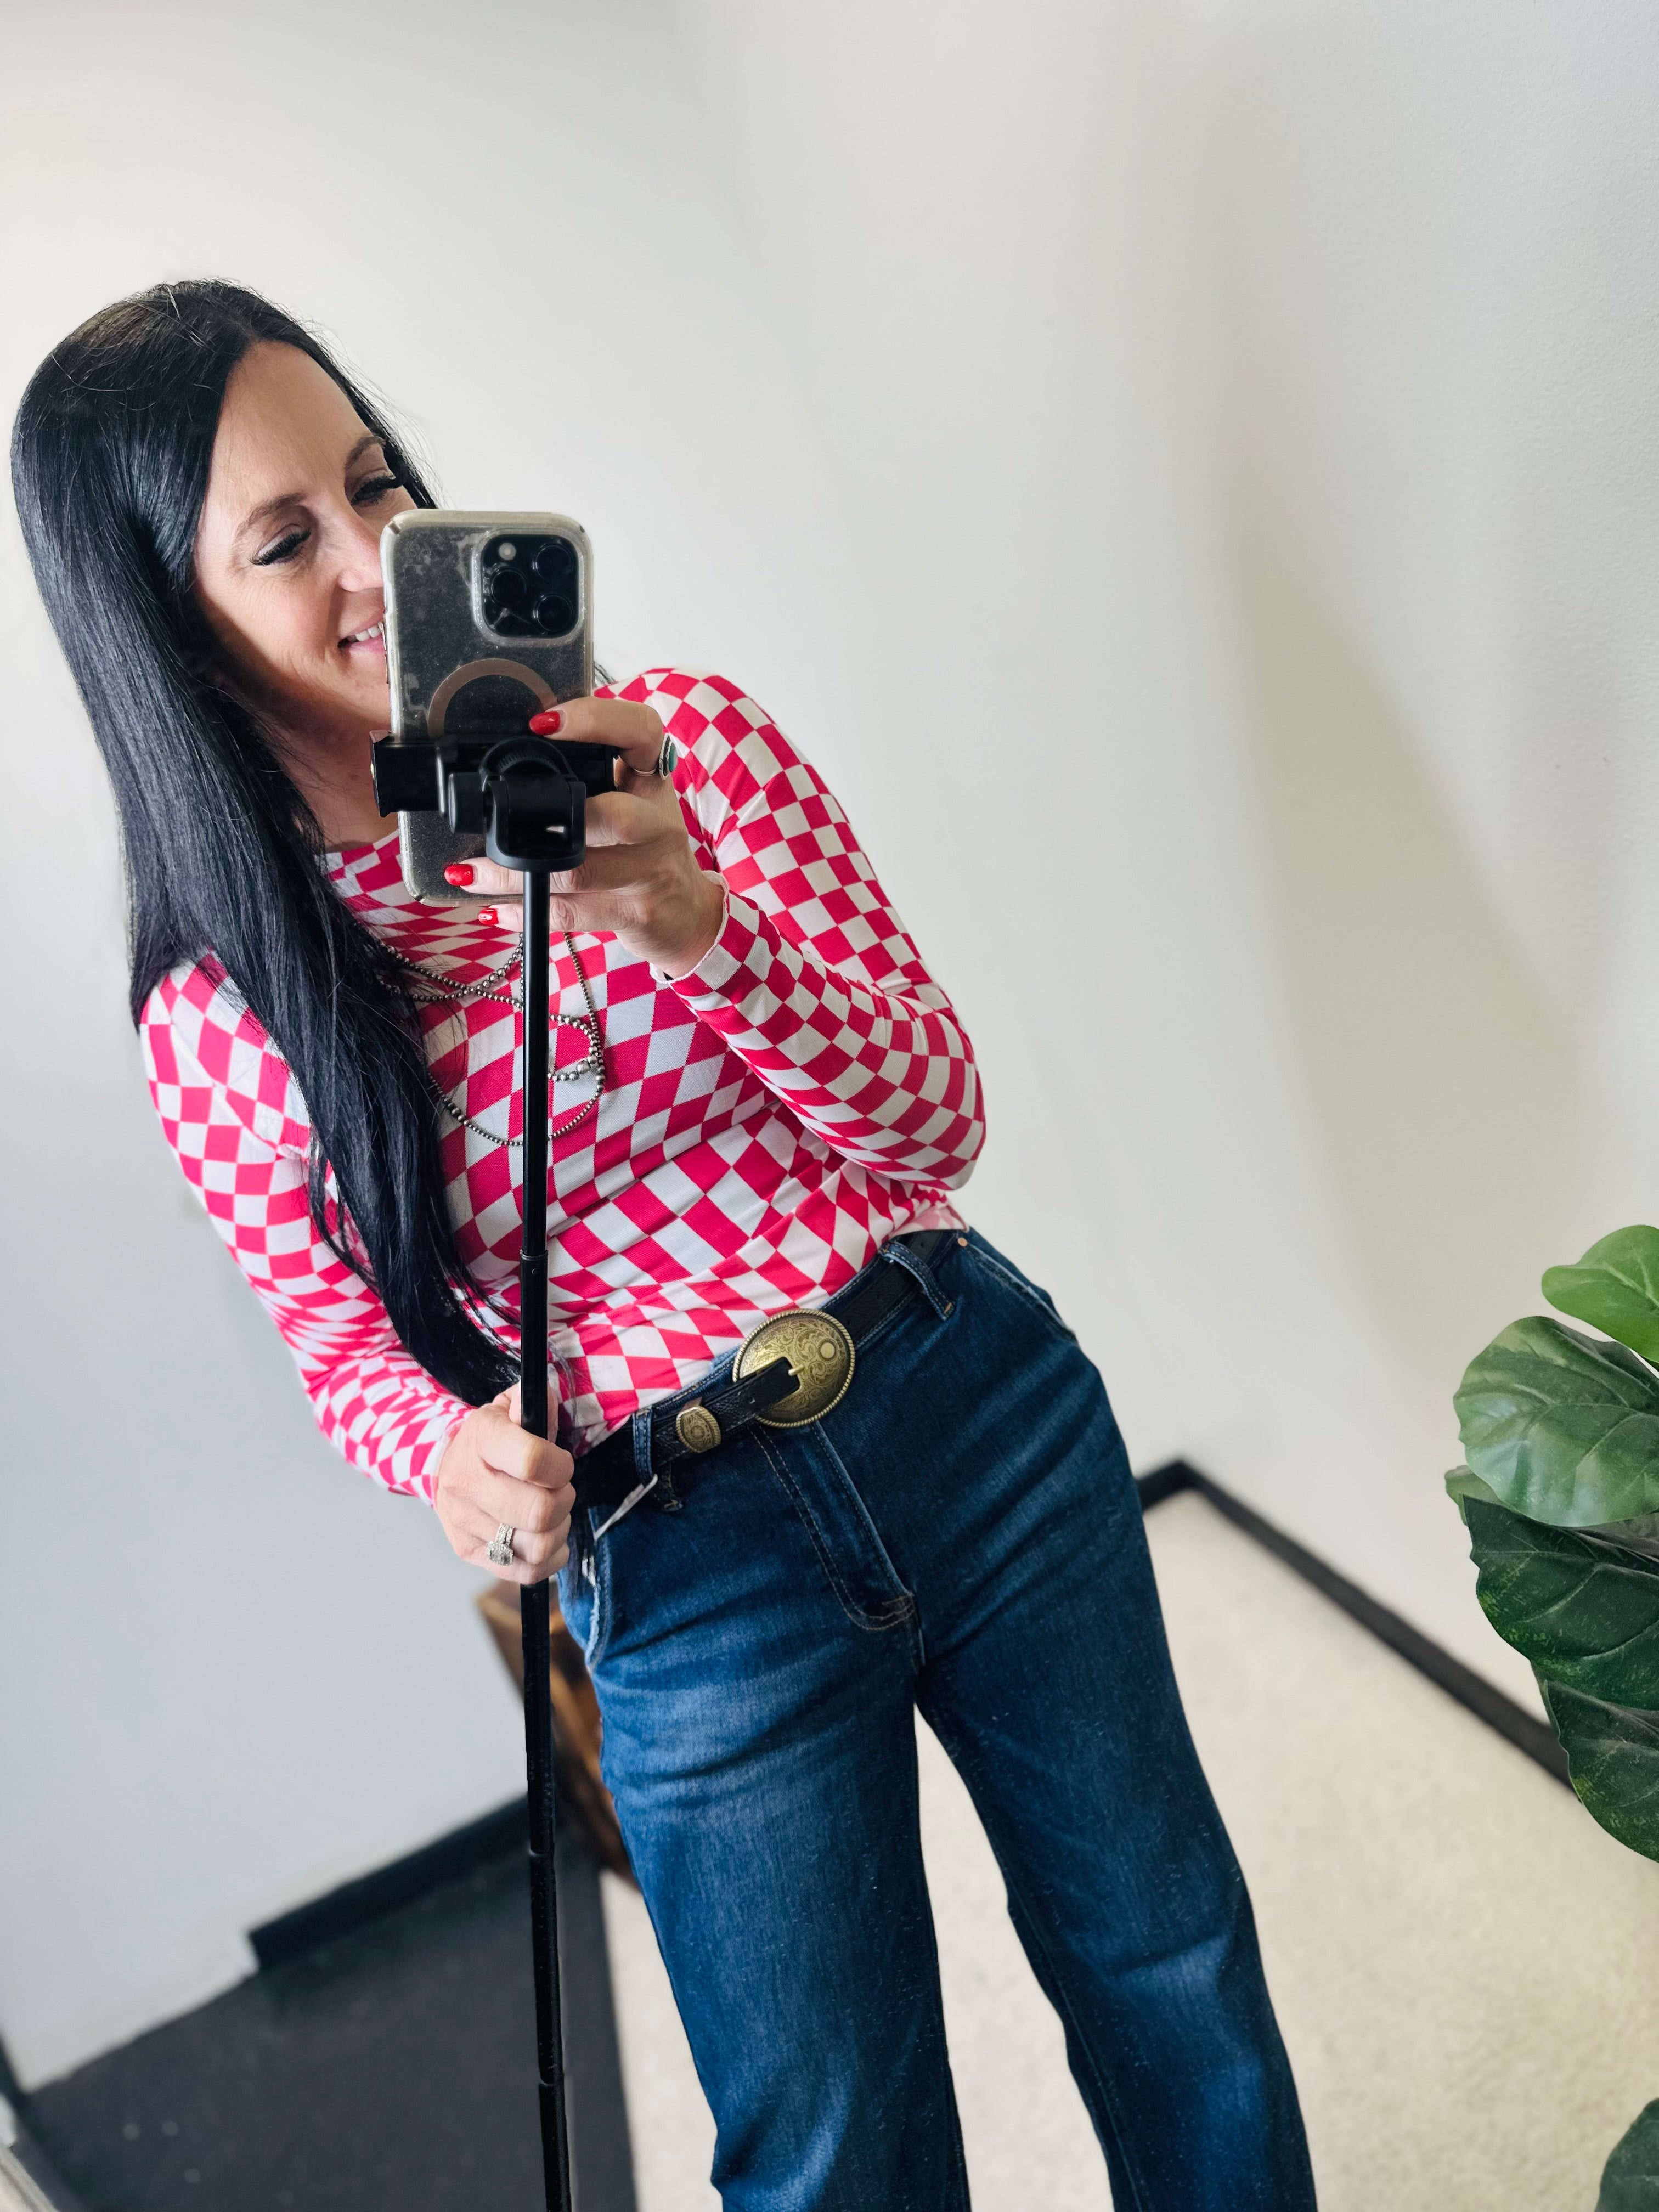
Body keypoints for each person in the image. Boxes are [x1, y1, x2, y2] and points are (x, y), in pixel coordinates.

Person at [12, 280, 1316, 2211]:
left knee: (1171, 1967)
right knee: (827, 2148)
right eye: (282, 540)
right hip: (687, 1562)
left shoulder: (686, 744)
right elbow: (344, 1352)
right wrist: (448, 1455)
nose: (372, 560)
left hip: (971, 1403)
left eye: (374, 485)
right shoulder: (224, 1009)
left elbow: (935, 1123)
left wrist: (687, 914)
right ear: (163, 626)